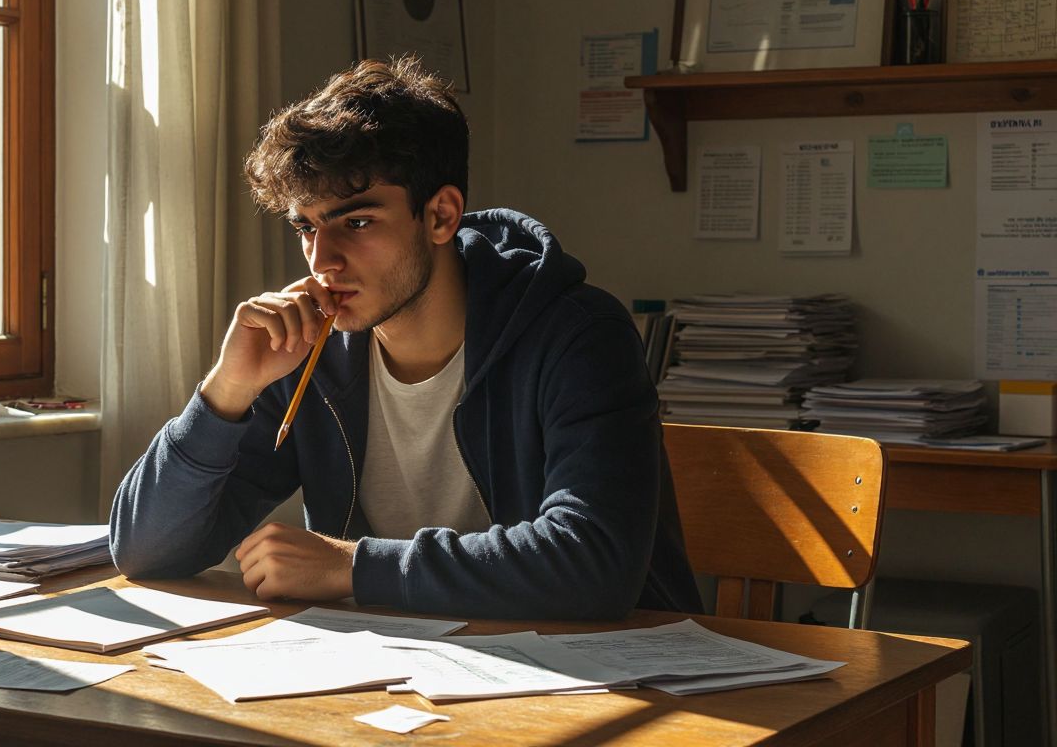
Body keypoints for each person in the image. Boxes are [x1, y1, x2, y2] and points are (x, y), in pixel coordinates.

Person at [109, 57, 702, 619]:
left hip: (611, 676)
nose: (324, 261)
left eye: (357, 222)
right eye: (306, 228)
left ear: (441, 216)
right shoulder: (309, 349)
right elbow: (146, 551)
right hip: (413, 671)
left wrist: (353, 566)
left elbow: (594, 565)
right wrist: (225, 391)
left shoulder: (577, 336)